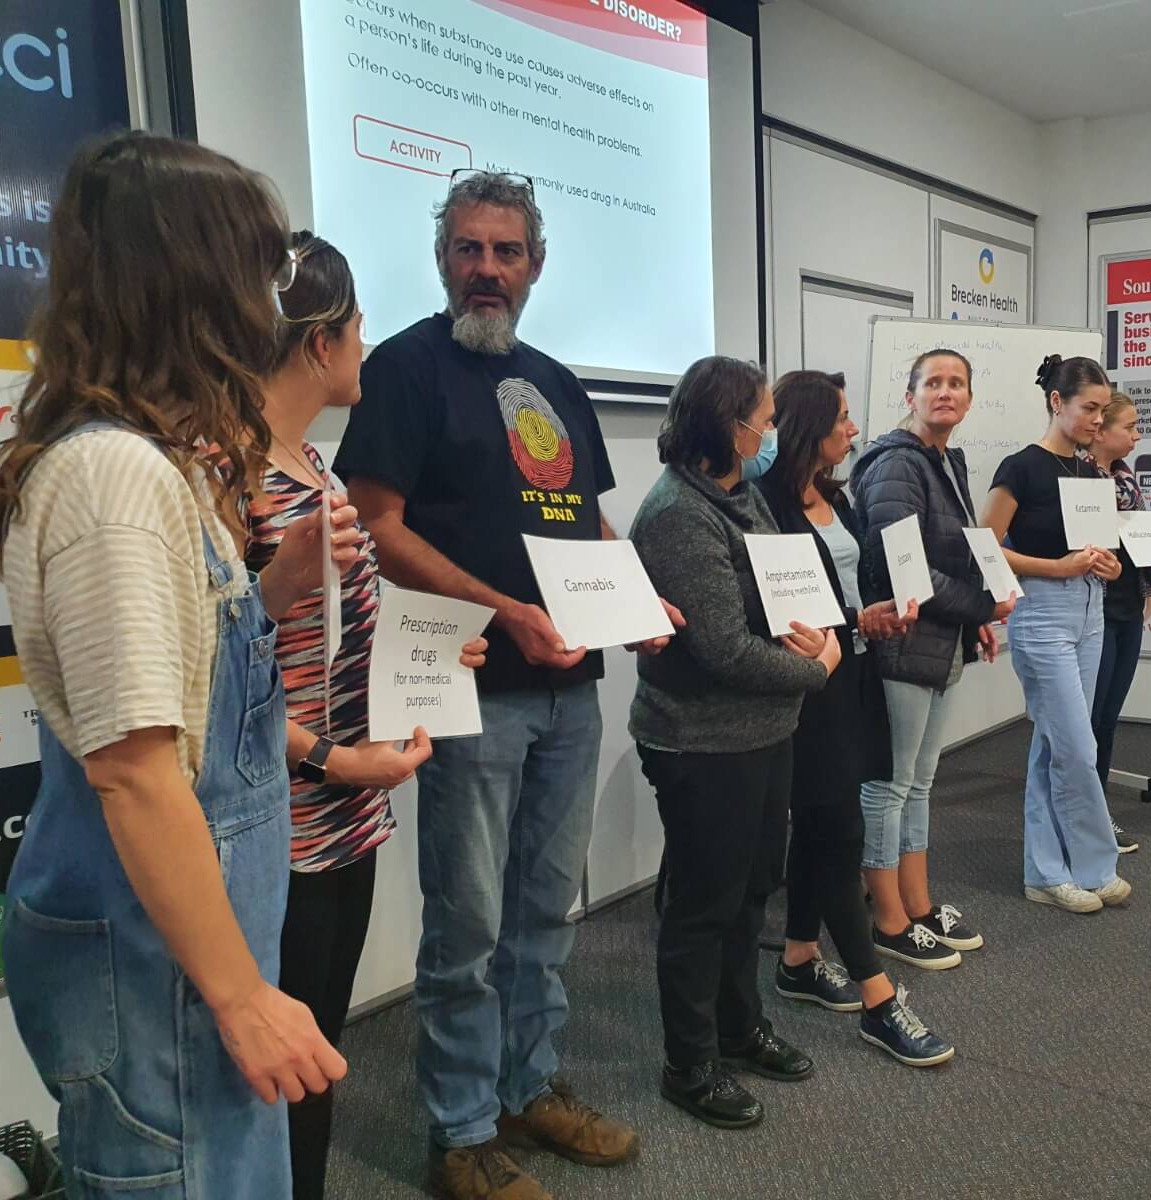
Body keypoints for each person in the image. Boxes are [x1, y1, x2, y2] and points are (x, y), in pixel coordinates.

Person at [0, 131, 352, 1195]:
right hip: (157, 965)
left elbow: (194, 690)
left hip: (176, 953)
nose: (273, 305)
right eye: (264, 269)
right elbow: (136, 772)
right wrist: (243, 997)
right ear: (201, 280)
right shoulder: (112, 478)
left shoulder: (152, 464)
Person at [334, 170, 664, 1199]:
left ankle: (530, 1087)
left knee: (540, 912)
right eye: (469, 248)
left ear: (533, 266)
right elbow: (375, 525)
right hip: (469, 684)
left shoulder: (558, 381)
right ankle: (462, 1131)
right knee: (467, 922)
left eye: (505, 251)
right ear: (444, 260)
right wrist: (506, 609)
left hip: (571, 689)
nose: (486, 268)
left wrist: (637, 605)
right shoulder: (401, 369)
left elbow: (586, 526)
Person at [249, 230, 488, 1200]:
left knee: (321, 1054)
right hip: (283, 819)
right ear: (319, 344)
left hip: (349, 809)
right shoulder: (230, 475)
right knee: (277, 1072)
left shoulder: (314, 463)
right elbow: (218, 680)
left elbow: (350, 629)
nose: (365, 343)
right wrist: (331, 762)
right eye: (354, 327)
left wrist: (435, 656)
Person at [631, 357, 840, 1128]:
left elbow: (782, 597)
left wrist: (812, 639)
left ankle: (737, 1028)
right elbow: (723, 649)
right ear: (728, 424)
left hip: (762, 731)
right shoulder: (678, 514)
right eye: (762, 415)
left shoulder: (741, 493)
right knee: (702, 906)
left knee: (751, 892)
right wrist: (816, 666)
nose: (771, 430)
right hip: (702, 742)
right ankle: (688, 1065)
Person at [756, 369, 955, 1068]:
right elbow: (783, 609)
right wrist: (851, 620)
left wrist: (864, 618)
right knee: (836, 832)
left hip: (851, 673)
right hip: (806, 688)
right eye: (842, 418)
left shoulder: (829, 494)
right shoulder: (766, 505)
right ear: (811, 424)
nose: (853, 429)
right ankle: (878, 998)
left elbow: (834, 593)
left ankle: (799, 956)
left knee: (821, 829)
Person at [852, 349, 1013, 966]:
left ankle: (917, 904)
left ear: (969, 400)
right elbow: (905, 572)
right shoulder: (897, 464)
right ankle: (887, 919)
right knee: (888, 788)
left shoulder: (948, 460)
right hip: (899, 646)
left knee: (919, 782)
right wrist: (978, 608)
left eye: (957, 384)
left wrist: (974, 627)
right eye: (933, 383)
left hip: (939, 643)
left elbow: (954, 555)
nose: (945, 393)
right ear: (910, 395)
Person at [982, 356, 1131, 914]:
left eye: (1103, 409)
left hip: (1090, 608)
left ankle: (1048, 872)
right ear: (1056, 403)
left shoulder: (1091, 472)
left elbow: (1095, 546)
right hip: (1042, 612)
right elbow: (987, 545)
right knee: (1076, 744)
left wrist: (1105, 565)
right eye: (1089, 408)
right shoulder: (1020, 466)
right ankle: (1092, 865)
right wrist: (1057, 568)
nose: (1099, 418)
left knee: (1056, 743)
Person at [1083, 391, 1151, 855]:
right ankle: (1083, 815)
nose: (1138, 435)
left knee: (1108, 718)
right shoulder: (1077, 478)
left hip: (1127, 610)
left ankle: (1098, 809)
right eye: (1130, 427)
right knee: (1088, 718)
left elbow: (1134, 538)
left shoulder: (1125, 479)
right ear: (1100, 430)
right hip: (1091, 612)